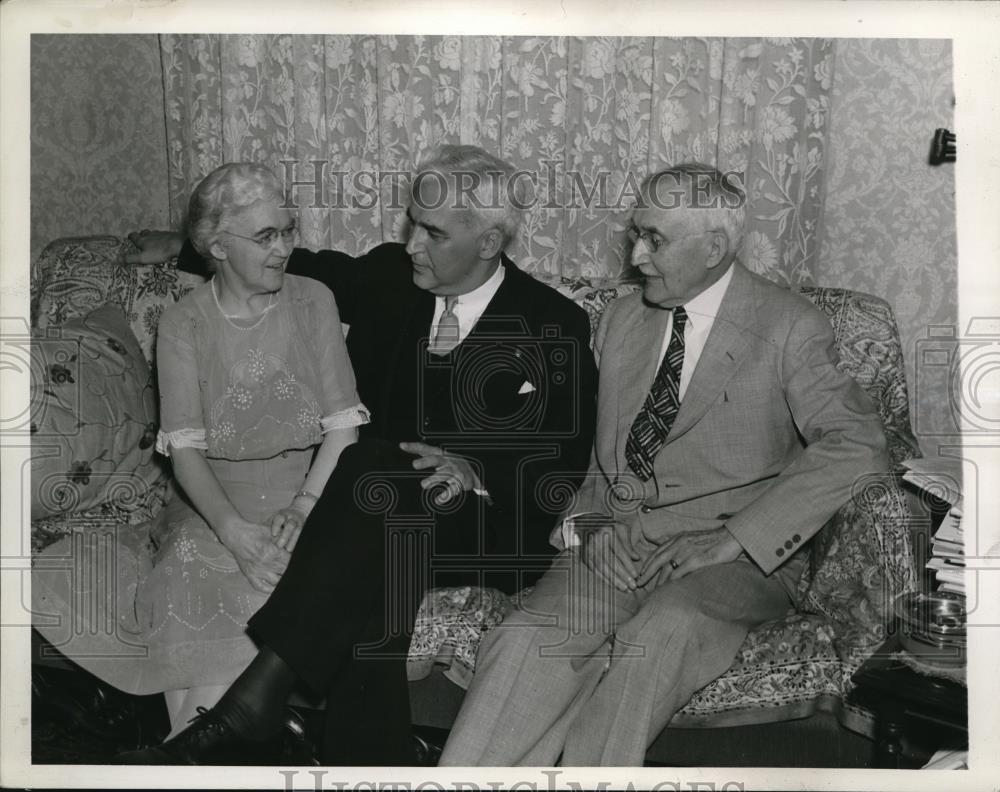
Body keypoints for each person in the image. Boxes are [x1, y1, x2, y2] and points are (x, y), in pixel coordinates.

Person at [119, 145, 598, 764]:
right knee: (378, 521)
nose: (412, 245)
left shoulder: (552, 323)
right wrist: (182, 243)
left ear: (487, 243)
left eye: (432, 233)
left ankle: (256, 697)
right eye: (410, 224)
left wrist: (476, 470)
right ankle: (368, 762)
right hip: (381, 515)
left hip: (480, 525)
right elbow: (300, 263)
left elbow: (561, 468)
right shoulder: (388, 277)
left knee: (372, 476)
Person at [437, 164, 890, 766]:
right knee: (528, 639)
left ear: (716, 248)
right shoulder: (624, 320)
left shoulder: (789, 327)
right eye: (634, 235)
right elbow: (595, 451)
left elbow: (857, 442)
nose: (635, 256)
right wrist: (591, 524)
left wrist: (733, 541)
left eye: (654, 239)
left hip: (731, 560)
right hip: (616, 545)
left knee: (657, 637)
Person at [33, 163, 368, 737]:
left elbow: (343, 429)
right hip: (212, 505)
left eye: (289, 230)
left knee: (274, 585)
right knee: (192, 573)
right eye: (266, 236)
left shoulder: (314, 300)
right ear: (216, 245)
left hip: (310, 498)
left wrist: (305, 507)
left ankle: (185, 754)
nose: (285, 247)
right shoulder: (183, 323)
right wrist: (234, 532)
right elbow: (185, 451)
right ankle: (197, 751)